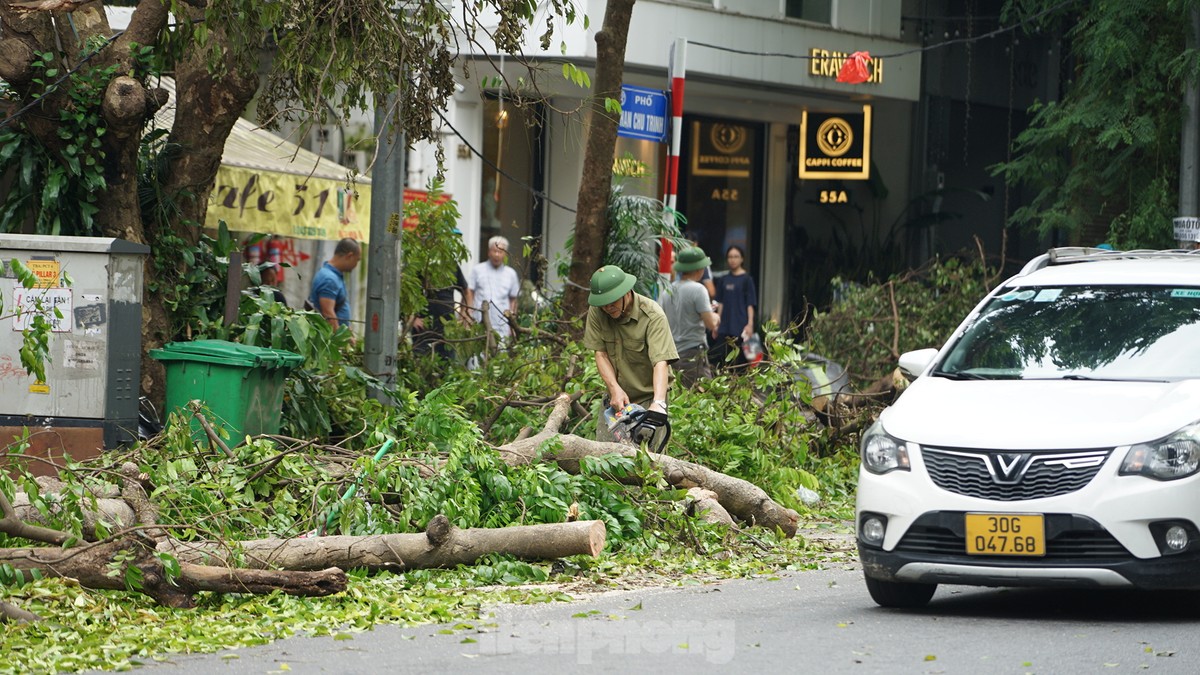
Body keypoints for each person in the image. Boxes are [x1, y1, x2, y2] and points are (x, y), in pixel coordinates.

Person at [583, 265, 678, 441]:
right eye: (603, 304)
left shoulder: (652, 315)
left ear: (626, 292)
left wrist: (658, 403)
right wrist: (614, 390)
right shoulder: (597, 311)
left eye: (612, 303)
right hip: (615, 396)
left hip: (648, 396)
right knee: (603, 457)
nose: (608, 308)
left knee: (647, 462)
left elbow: (660, 362)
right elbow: (601, 354)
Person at [660, 247, 719, 387]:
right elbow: (710, 324)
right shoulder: (699, 290)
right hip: (693, 353)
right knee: (704, 397)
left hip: (672, 355)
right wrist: (715, 316)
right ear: (700, 270)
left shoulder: (667, 291)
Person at [710, 244, 757, 369]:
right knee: (722, 361)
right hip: (724, 326)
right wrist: (716, 323)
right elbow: (720, 303)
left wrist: (750, 324)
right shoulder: (723, 279)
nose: (733, 259)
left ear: (742, 259)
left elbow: (750, 304)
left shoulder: (747, 279)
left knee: (741, 363)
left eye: (736, 256)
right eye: (730, 257)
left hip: (741, 327)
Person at [466, 235, 521, 339]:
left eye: (500, 252)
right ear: (488, 252)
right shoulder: (477, 270)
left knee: (501, 353)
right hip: (479, 323)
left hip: (502, 325)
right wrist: (468, 317)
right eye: (494, 251)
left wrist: (512, 325)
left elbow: (513, 299)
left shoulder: (511, 274)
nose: (497, 254)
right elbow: (469, 293)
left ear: (505, 254)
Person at [413, 264, 468, 359]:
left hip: (447, 329)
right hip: (423, 329)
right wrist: (412, 318)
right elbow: (407, 292)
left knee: (447, 364)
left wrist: (464, 313)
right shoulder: (421, 262)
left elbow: (466, 291)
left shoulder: (451, 264)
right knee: (421, 364)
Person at [308, 237, 361, 335]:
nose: (356, 265)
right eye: (357, 260)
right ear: (350, 256)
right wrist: (341, 339)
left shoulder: (334, 276)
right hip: (330, 341)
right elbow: (328, 314)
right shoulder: (329, 279)